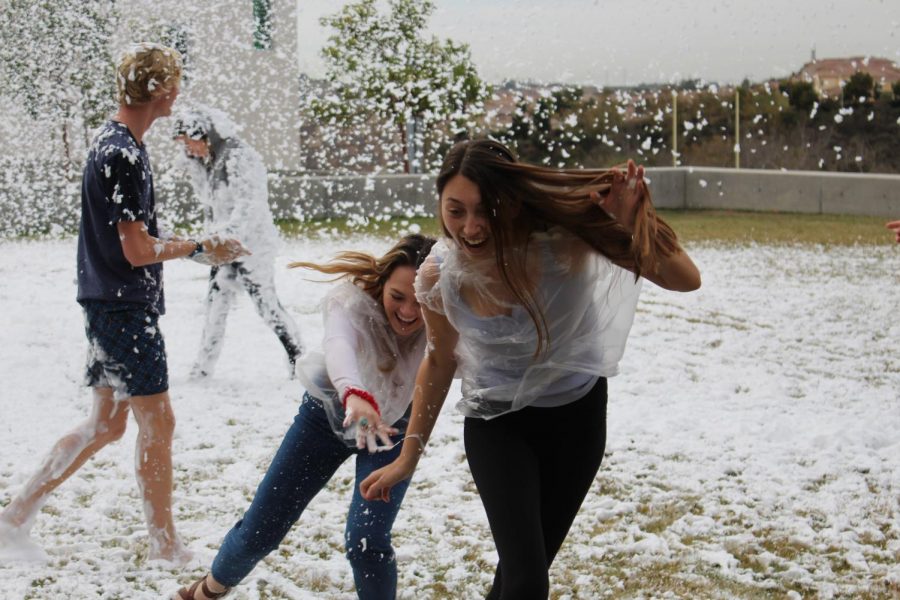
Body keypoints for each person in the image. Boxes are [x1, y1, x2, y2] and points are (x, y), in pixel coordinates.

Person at [360, 140, 702, 599]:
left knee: (522, 574)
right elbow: (439, 360)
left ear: (513, 201)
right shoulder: (438, 274)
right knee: (527, 579)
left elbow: (686, 278)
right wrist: (408, 456)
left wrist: (632, 221)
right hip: (496, 424)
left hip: (576, 420)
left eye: (486, 209)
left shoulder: (565, 241)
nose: (471, 226)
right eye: (455, 210)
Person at [0, 43, 246, 564]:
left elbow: (132, 241)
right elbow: (137, 250)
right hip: (121, 308)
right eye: (173, 83)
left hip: (107, 302)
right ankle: (165, 546)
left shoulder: (115, 143)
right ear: (159, 90)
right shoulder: (123, 153)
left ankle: (13, 518)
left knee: (106, 425)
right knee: (159, 424)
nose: (178, 93)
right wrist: (201, 247)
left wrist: (186, 245)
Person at [173, 233, 436, 600]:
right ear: (382, 282)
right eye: (398, 297)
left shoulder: (445, 322)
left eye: (421, 302)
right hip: (326, 416)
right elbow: (339, 345)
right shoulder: (352, 302)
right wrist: (355, 395)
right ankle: (207, 591)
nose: (409, 311)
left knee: (367, 539)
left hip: (390, 430)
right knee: (262, 529)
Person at [172, 108, 304, 378]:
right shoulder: (209, 162)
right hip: (223, 247)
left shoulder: (238, 156)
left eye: (188, 142)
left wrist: (226, 238)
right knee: (215, 303)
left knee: (265, 303)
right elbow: (214, 207)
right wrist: (215, 242)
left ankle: (298, 357)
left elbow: (249, 206)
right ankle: (203, 369)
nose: (188, 150)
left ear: (202, 134)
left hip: (251, 247)